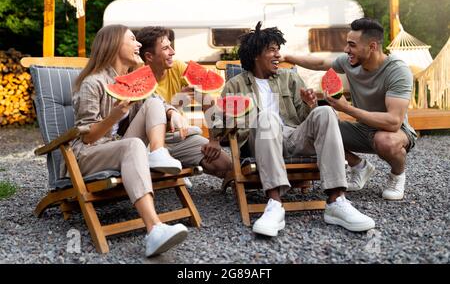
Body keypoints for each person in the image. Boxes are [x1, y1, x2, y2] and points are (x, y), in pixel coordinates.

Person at [214, 21, 375, 237]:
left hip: (292, 138)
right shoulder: (235, 85)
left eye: (278, 49)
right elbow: (219, 120)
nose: (278, 55)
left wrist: (310, 105)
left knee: (325, 112)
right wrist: (215, 138)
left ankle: (337, 201)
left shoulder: (289, 77)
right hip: (259, 141)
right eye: (272, 50)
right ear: (255, 55)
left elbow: (304, 120)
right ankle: (274, 204)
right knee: (267, 118)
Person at [72, 24, 189, 257]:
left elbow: (158, 101)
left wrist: (173, 112)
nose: (138, 45)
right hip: (88, 153)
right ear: (115, 44)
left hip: (118, 144)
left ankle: (157, 152)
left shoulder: (132, 79)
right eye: (133, 39)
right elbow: (87, 137)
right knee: (134, 145)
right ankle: (154, 228)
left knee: (155, 103)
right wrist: (114, 116)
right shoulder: (92, 83)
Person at [283, 17, 417, 200]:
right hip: (362, 129)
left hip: (395, 132)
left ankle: (397, 175)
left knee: (385, 141)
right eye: (347, 44)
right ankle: (359, 167)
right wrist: (286, 57)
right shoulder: (349, 62)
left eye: (352, 45)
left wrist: (347, 109)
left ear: (372, 46)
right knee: (313, 130)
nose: (347, 50)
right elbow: (320, 64)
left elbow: (393, 122)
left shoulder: (397, 71)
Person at [136, 26, 232, 179]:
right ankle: (173, 164)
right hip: (149, 142)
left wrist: (214, 140)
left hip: (179, 137)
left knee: (225, 166)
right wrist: (175, 104)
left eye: (171, 47)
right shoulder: (137, 78)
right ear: (149, 56)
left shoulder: (177, 67)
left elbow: (206, 100)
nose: (172, 52)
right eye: (166, 48)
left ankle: (179, 162)